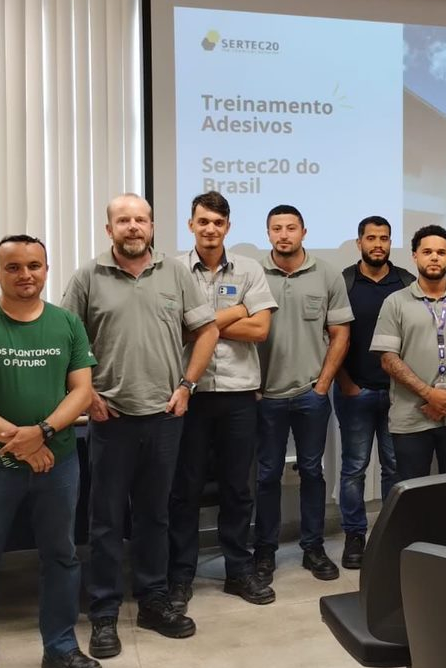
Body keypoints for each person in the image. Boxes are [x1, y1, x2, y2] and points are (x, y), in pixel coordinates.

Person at [61, 194, 217, 658]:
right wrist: (87, 396)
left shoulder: (175, 274)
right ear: (109, 229)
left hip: (165, 416)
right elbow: (67, 341)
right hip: (111, 419)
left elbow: (207, 330)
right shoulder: (88, 276)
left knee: (155, 514)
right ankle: (104, 612)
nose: (133, 226)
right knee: (106, 520)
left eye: (141, 220)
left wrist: (187, 385)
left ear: (152, 227)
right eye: (124, 220)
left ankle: (153, 600)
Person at [0, 236, 99, 668]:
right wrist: (23, 444)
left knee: (62, 557)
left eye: (34, 265)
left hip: (57, 462)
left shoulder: (67, 324)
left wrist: (42, 432)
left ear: (46, 269)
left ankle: (61, 648)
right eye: (13, 267)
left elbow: (82, 391)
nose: (25, 274)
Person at [167, 192, 278, 610]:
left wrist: (203, 325)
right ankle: (180, 575)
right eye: (203, 221)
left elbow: (260, 330)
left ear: (228, 226)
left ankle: (238, 571)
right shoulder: (172, 270)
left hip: (238, 393)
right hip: (189, 393)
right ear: (191, 225)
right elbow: (174, 330)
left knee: (237, 487)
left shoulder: (249, 269)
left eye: (217, 222)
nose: (210, 229)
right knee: (185, 489)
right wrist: (235, 312)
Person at [253, 204, 353, 583]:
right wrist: (254, 387)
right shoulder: (253, 275)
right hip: (266, 397)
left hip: (311, 394)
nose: (284, 235)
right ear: (268, 233)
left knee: (312, 471)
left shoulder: (326, 274)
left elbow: (340, 334)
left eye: (291, 228)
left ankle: (313, 548)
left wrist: (323, 384)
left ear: (304, 232)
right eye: (276, 228)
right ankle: (264, 551)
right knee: (267, 475)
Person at [372, 225, 446, 481]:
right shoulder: (395, 302)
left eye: (441, 252)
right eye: (427, 252)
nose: (434, 257)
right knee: (413, 493)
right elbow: (388, 359)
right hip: (411, 418)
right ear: (414, 256)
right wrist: (430, 395)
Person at [333, 216, 412, 569]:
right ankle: (354, 536)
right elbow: (330, 337)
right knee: (354, 468)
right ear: (359, 242)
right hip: (356, 391)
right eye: (371, 238)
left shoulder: (406, 282)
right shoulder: (344, 282)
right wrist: (344, 381)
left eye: (384, 238)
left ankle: (390, 534)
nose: (378, 244)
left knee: (395, 468)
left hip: (399, 395)